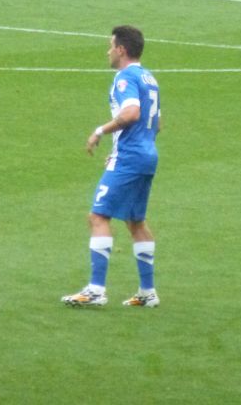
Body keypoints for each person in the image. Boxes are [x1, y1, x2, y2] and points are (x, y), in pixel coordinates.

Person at [62, 26, 161, 308]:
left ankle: (96, 290)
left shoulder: (125, 77)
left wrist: (100, 131)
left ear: (121, 49)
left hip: (131, 156)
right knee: (135, 221)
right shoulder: (149, 78)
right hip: (146, 155)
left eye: (110, 45)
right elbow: (157, 123)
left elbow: (131, 113)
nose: (107, 51)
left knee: (98, 216)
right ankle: (147, 293)